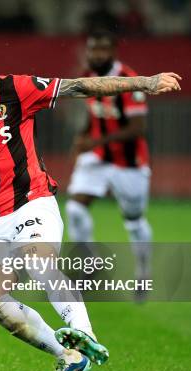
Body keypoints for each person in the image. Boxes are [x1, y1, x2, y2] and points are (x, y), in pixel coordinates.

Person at [0, 34, 181, 371]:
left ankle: (84, 334)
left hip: (34, 202)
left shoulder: (15, 90)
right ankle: (71, 356)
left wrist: (145, 83)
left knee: (38, 261)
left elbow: (80, 86)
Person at [65, 31, 152, 301]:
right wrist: (82, 137)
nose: (96, 55)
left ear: (113, 51)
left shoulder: (128, 80)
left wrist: (95, 141)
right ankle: (90, 266)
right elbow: (94, 116)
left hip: (129, 164)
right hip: (99, 159)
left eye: (102, 50)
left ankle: (143, 274)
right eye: (93, 50)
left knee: (134, 221)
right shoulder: (89, 78)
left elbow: (138, 128)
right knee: (75, 208)